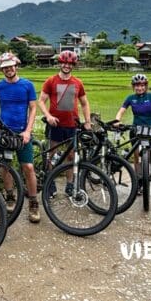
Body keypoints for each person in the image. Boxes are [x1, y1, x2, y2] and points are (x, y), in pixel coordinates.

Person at [0, 52, 40, 223]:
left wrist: (28, 131)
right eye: (5, 68)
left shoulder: (27, 85)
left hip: (22, 133)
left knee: (28, 167)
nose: (8, 70)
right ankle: (10, 196)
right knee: (5, 167)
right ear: (2, 70)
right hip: (4, 133)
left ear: (16, 66)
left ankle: (33, 203)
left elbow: (33, 108)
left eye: (10, 66)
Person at [37, 50, 91, 197]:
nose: (67, 66)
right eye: (64, 63)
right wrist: (48, 116)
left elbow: (84, 103)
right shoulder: (51, 81)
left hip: (72, 125)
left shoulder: (77, 82)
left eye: (70, 64)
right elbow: (41, 101)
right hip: (55, 125)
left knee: (71, 156)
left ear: (73, 65)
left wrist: (87, 121)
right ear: (60, 63)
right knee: (51, 155)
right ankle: (50, 183)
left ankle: (69, 184)